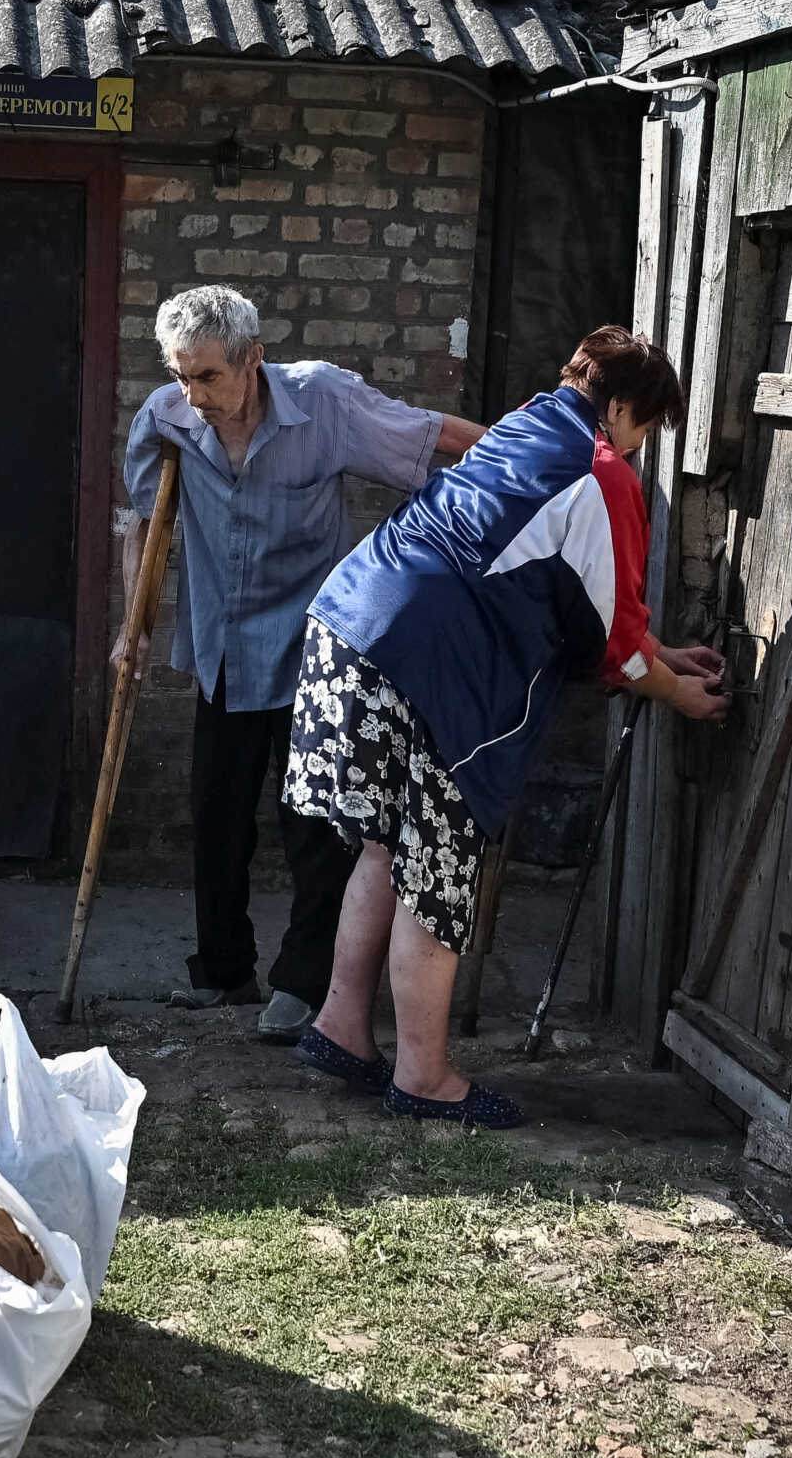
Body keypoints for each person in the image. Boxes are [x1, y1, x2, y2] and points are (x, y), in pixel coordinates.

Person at [285, 327, 730, 1127]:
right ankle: (423, 1077)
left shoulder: (524, 424)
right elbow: (617, 656)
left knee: (386, 843)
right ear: (622, 406)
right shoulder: (603, 474)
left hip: (353, 620)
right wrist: (680, 693)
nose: (641, 447)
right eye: (645, 428)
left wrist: (662, 651)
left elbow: (579, 593)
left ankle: (340, 1029)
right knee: (437, 865)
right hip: (434, 663)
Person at [120, 286, 486, 1039]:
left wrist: (540, 456)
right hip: (224, 651)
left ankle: (303, 982)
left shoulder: (323, 402)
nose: (193, 395)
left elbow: (430, 437)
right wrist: (135, 624)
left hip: (312, 649)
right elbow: (138, 526)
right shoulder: (165, 418)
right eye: (181, 375)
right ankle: (222, 971)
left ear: (254, 360)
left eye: (209, 377)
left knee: (313, 826)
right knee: (216, 817)